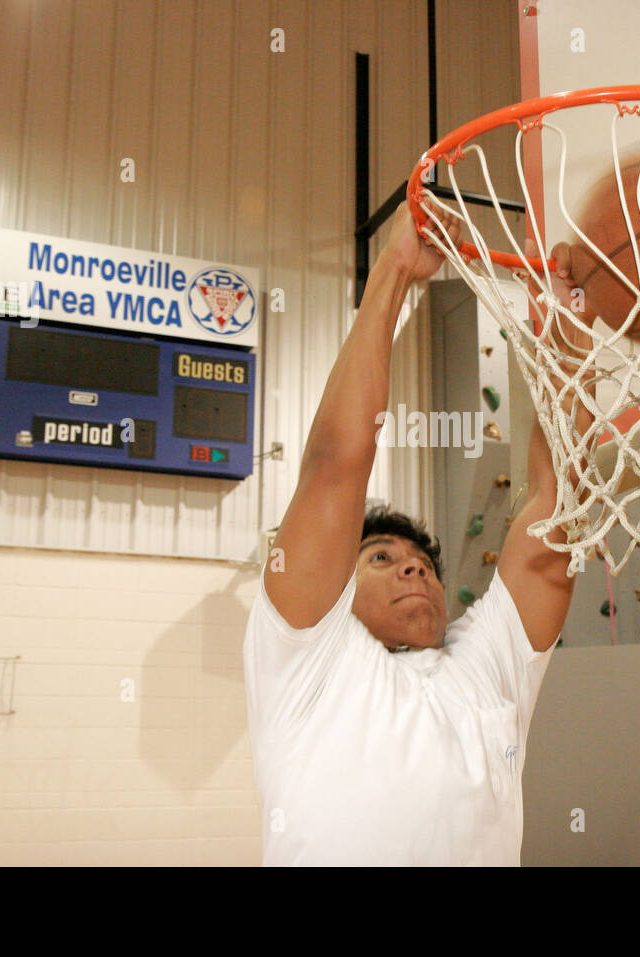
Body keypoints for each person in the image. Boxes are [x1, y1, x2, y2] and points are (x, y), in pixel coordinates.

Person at [242, 204, 591, 865]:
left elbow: (557, 506)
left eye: (424, 564)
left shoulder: (482, 670)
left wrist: (573, 328)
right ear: (341, 584)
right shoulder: (307, 656)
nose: (415, 570)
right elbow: (335, 465)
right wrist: (395, 272)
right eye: (382, 556)